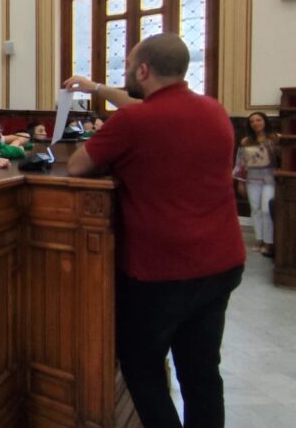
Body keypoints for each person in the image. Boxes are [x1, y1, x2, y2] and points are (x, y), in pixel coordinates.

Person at [67, 33, 244, 428]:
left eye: (130, 66)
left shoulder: (133, 122)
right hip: (221, 262)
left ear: (143, 70)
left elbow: (78, 165)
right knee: (201, 371)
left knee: (141, 366)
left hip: (162, 271)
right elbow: (153, 110)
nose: (128, 72)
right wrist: (97, 88)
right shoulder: (214, 109)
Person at [234, 112, 280, 256]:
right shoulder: (246, 141)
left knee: (266, 210)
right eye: (252, 121)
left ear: (265, 121)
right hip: (252, 179)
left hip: (270, 179)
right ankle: (259, 239)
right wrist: (240, 182)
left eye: (258, 120)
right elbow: (240, 163)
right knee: (255, 209)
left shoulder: (276, 138)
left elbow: (282, 158)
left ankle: (268, 242)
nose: (255, 123)